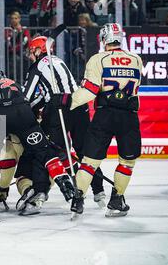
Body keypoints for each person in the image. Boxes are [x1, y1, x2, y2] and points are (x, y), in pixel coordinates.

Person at [18, 35, 106, 210]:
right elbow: (52, 92)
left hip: (58, 109)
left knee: (45, 150)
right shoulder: (59, 61)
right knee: (84, 151)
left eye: (31, 51)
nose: (29, 56)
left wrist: (25, 110)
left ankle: (40, 191)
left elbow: (26, 98)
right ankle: (99, 190)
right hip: (79, 105)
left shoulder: (37, 66)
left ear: (38, 50)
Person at [66, 23, 143, 218]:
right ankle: (117, 201)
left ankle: (78, 199)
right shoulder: (136, 59)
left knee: (89, 162)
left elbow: (90, 91)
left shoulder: (97, 59)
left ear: (103, 39)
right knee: (127, 162)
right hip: (128, 116)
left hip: (104, 114)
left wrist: (67, 102)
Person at [0, 66, 78, 208]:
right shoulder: (12, 82)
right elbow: (29, 100)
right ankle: (65, 183)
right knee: (44, 151)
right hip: (23, 116)